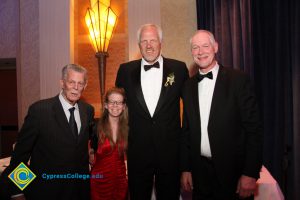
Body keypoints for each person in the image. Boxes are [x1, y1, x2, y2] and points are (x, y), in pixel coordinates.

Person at [180, 30, 263, 200]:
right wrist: (186, 168)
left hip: (233, 174)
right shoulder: (187, 86)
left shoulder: (238, 80)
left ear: (215, 47)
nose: (200, 52)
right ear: (191, 52)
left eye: (205, 46)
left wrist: (250, 173)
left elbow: (254, 130)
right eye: (195, 47)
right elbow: (186, 132)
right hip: (200, 174)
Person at [115, 23, 189, 199]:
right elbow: (116, 109)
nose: (149, 45)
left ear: (161, 42)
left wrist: (186, 158)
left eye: (153, 40)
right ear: (139, 45)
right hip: (137, 153)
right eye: (144, 41)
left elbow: (190, 113)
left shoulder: (178, 69)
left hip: (170, 154)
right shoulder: (125, 71)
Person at [1, 64, 95, 200]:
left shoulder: (88, 110)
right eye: (71, 82)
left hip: (80, 191)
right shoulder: (39, 111)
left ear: (84, 86)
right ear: (62, 83)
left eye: (80, 83)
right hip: (46, 192)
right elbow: (19, 157)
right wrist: (19, 191)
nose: (76, 87)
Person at [90, 87, 128, 200]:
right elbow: (88, 152)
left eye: (119, 102)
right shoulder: (95, 127)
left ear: (124, 106)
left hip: (120, 181)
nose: (115, 105)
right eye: (112, 102)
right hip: (99, 181)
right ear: (106, 105)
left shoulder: (128, 128)